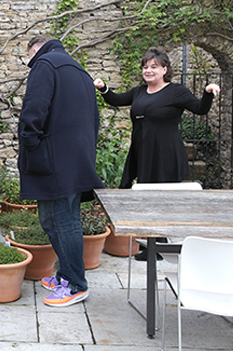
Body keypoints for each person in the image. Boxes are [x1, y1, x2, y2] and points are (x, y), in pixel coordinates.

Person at [93, 47, 220, 260]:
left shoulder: (176, 91)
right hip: (144, 152)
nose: (148, 70)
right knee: (145, 197)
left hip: (165, 153)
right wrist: (103, 88)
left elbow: (200, 109)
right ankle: (152, 245)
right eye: (145, 67)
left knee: (159, 200)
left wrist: (208, 93)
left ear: (164, 69)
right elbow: (116, 100)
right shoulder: (139, 92)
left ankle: (158, 247)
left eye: (154, 67)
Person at [18, 34, 104, 307]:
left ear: (35, 50)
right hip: (75, 159)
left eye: (28, 56)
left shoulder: (44, 64)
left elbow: (33, 109)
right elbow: (95, 119)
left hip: (52, 159)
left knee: (60, 221)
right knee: (58, 220)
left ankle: (76, 285)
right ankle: (66, 274)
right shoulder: (79, 69)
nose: (29, 61)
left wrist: (30, 144)